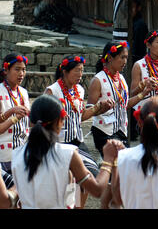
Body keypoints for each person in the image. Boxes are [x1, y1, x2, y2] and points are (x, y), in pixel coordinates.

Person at [11, 94, 121, 209]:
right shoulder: (68, 153)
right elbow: (97, 190)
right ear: (59, 121)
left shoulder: (17, 154)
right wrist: (108, 160)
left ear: (31, 122)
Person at [44, 55, 114, 208]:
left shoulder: (80, 90)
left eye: (82, 71)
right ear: (65, 71)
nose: (80, 75)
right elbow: (43, 121)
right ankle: (69, 205)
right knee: (67, 180)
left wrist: (98, 108)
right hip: (59, 142)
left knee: (86, 175)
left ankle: (78, 207)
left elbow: (80, 116)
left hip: (78, 141)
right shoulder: (52, 91)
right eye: (77, 71)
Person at [88, 41, 152, 157]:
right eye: (122, 57)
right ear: (110, 58)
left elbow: (125, 105)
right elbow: (88, 111)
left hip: (121, 131)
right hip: (104, 131)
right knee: (117, 165)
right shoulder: (97, 80)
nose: (125, 62)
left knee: (123, 165)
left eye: (126, 58)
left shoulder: (121, 79)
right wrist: (100, 107)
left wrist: (144, 93)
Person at [0, 54, 30, 175]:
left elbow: (28, 123)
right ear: (6, 70)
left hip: (23, 151)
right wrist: (13, 114)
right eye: (17, 69)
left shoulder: (23, 92)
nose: (21, 73)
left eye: (23, 69)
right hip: (4, 155)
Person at [131, 0, 148, 65]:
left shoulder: (140, 25)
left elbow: (140, 48)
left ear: (138, 8)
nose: (130, 10)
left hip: (136, 60)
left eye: (132, 7)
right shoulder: (129, 22)